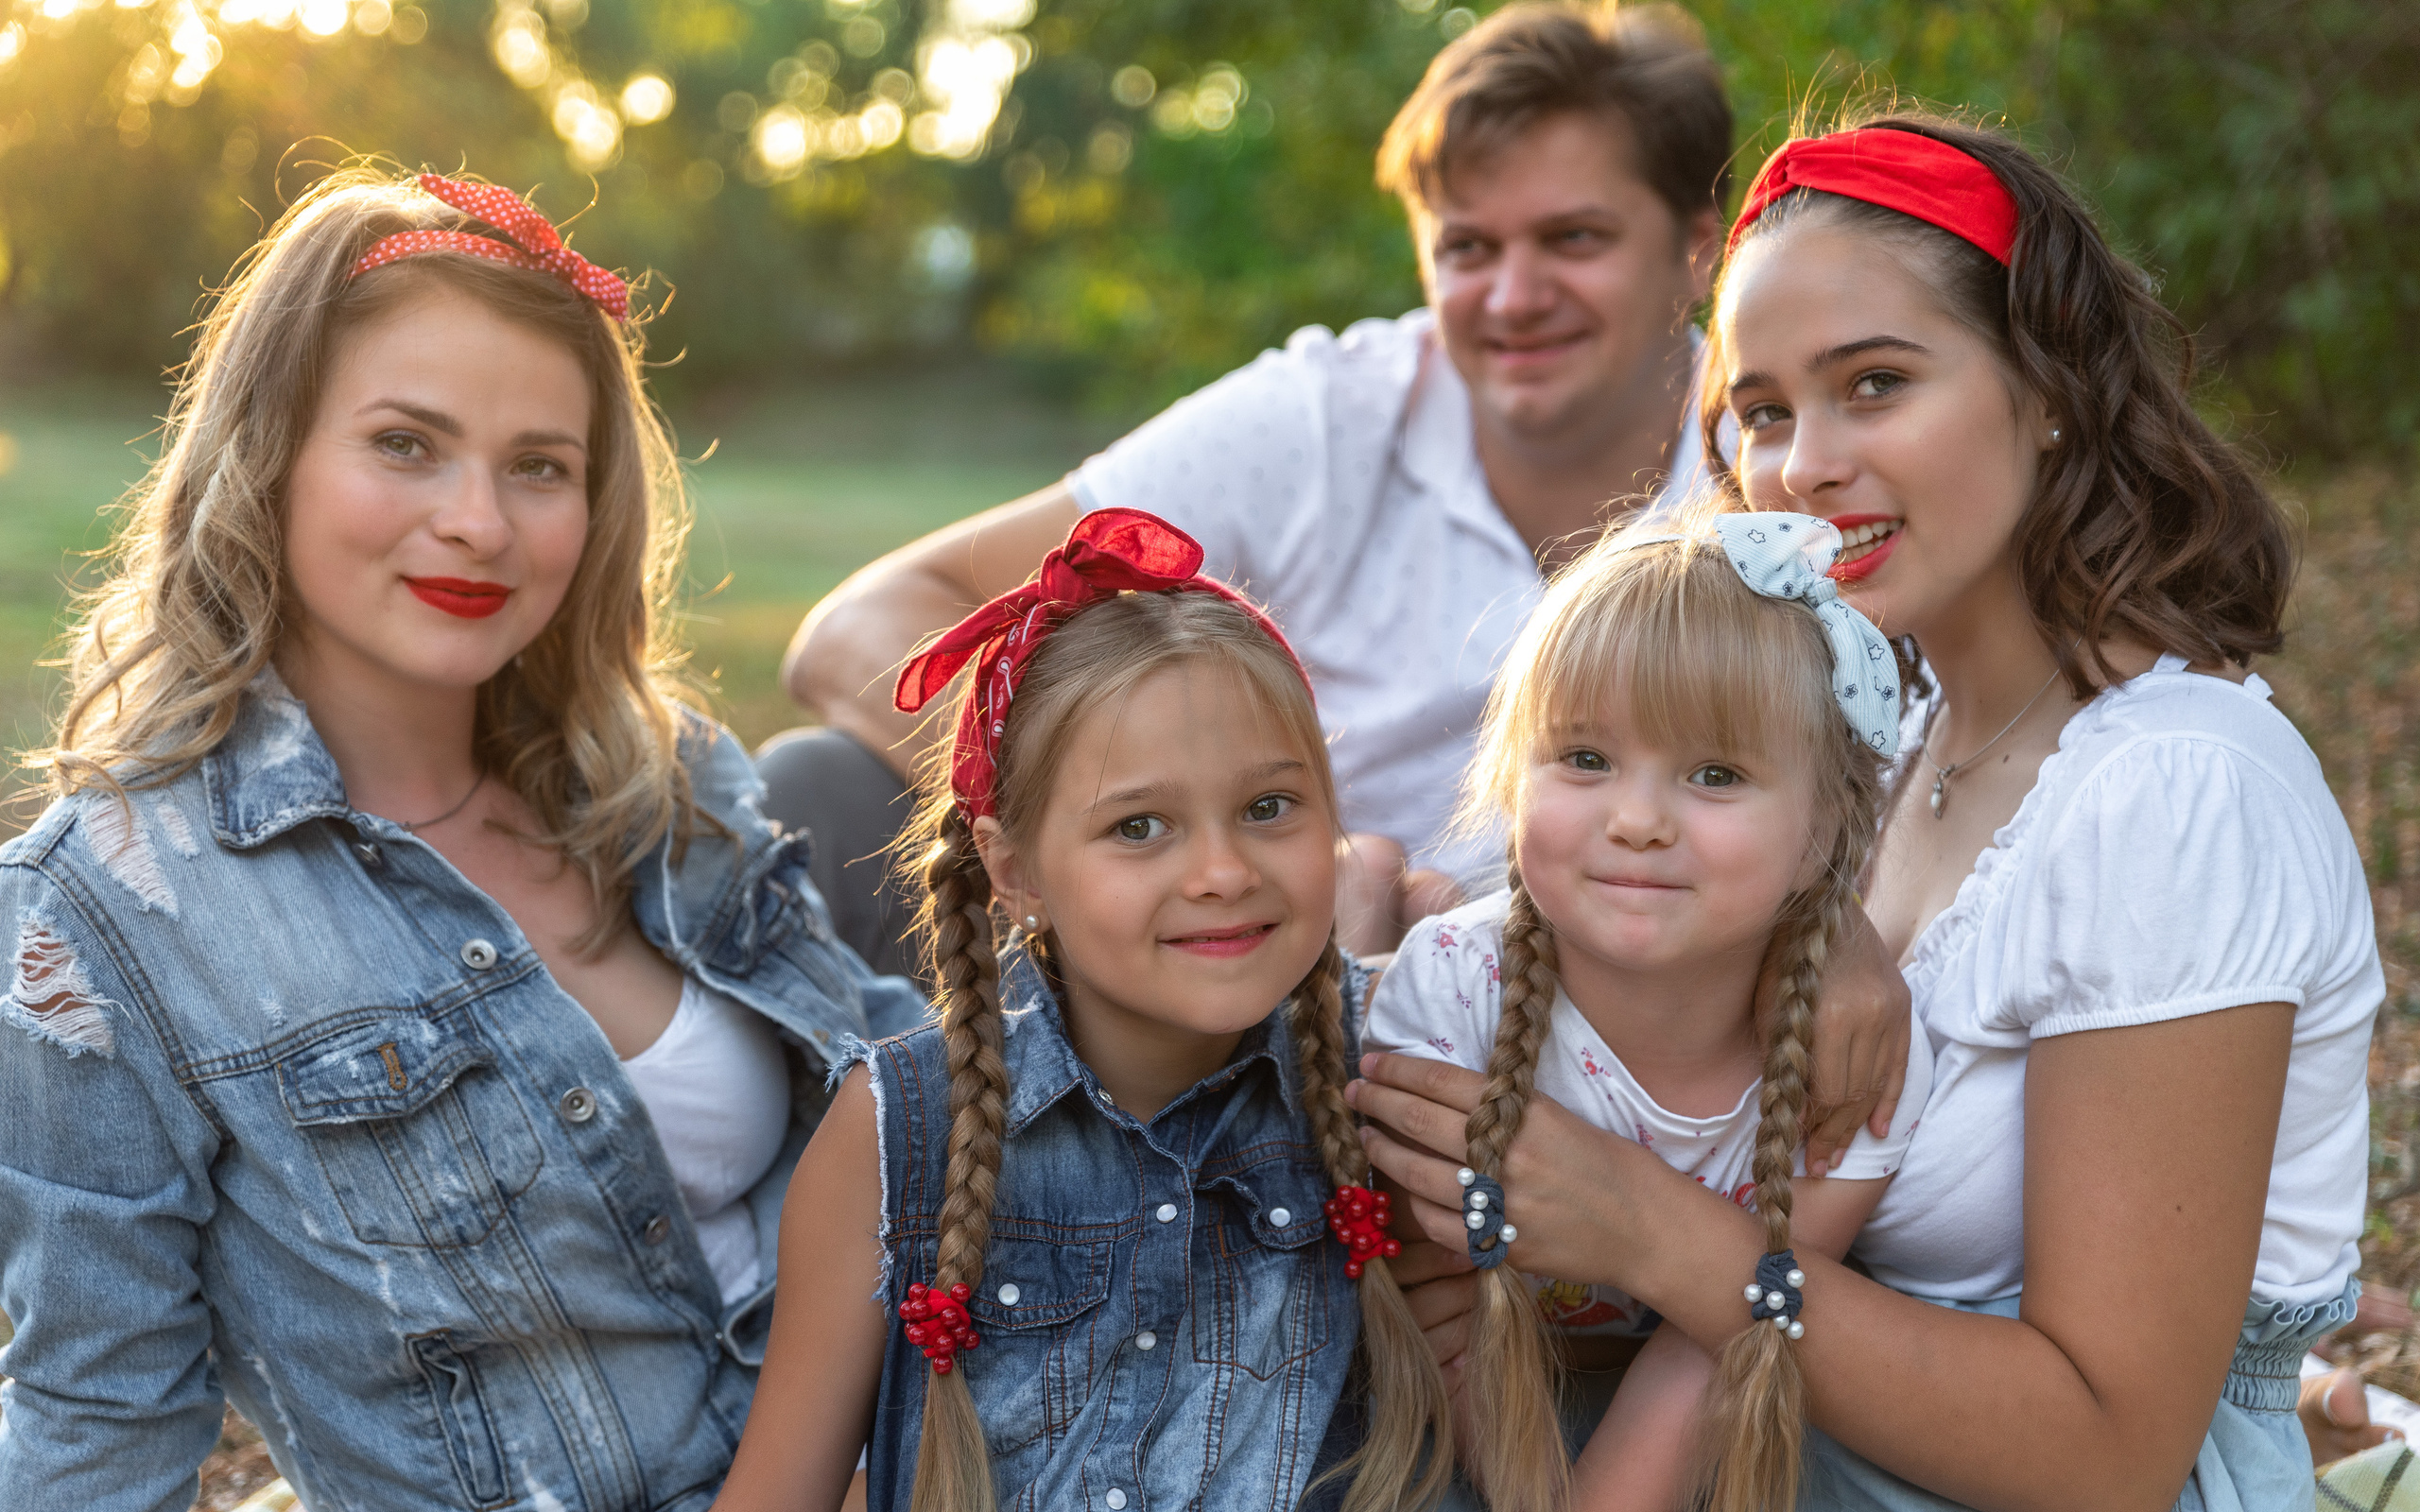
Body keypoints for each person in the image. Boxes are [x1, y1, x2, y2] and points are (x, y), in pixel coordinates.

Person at [1348, 115, 2380, 1510]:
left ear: (2049, 384)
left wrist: (1647, 1232)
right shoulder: (1886, 737)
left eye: (1874, 384)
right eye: (1765, 412)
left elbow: (2112, 1456)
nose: (1802, 468)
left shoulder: (2176, 794)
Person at [0, 168, 923, 1511]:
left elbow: (907, 1103)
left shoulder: (662, 782)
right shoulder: (108, 921)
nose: (479, 524)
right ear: (269, 454)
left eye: (539, 466)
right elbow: (95, 1417)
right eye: (405, 444)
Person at [766, 0, 1735, 966]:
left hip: (1644, 1004)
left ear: (1698, 249)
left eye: (1574, 239)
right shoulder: (1321, 421)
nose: (1514, 298)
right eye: (1467, 249)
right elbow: (863, 629)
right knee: (819, 788)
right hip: (1236, 983)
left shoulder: (1774, 453)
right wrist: (1212, 851)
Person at [711, 509, 1453, 1512]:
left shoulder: (1395, 1068)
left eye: (1268, 808)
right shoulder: (897, 1135)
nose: (1223, 871)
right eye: (1138, 827)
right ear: (1015, 872)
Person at [1365, 507, 1932, 1512]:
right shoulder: (1452, 993)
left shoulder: (1851, 1061)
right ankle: (1364, 892)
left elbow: (1715, 1345)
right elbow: (1440, 1310)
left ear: (1824, 831)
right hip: (1481, 1416)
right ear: (1512, 781)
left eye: (1715, 774)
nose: (1635, 821)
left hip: (1701, 1405)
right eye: (1584, 759)